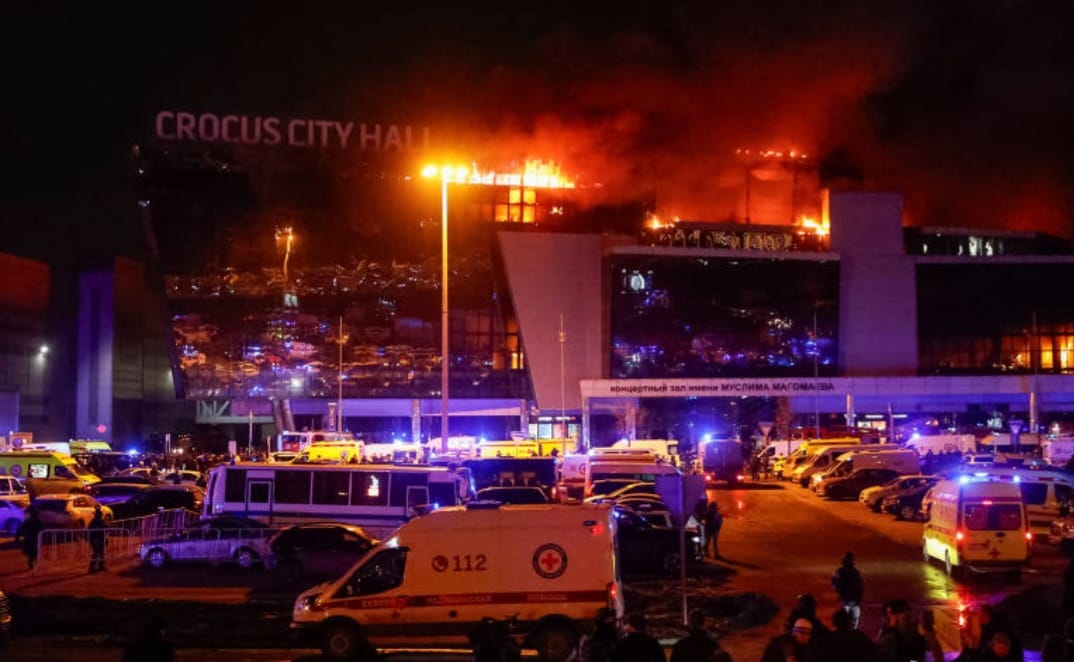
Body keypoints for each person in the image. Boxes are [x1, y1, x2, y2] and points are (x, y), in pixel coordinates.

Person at [831, 551, 864, 629]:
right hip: (848, 602)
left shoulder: (854, 572)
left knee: (852, 621)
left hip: (851, 602)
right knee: (849, 622)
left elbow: (860, 587)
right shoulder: (845, 572)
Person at [15, 505, 44, 570]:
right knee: (33, 552)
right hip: (31, 539)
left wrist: (18, 536)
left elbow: (21, 529)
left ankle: (32, 562)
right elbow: (22, 529)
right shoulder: (33, 521)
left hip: (32, 538)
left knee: (33, 552)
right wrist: (18, 536)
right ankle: (31, 562)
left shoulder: (34, 521)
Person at [88, 505, 107, 573]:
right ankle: (92, 567)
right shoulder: (96, 522)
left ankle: (100, 566)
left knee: (100, 553)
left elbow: (105, 529)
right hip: (96, 539)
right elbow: (105, 528)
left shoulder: (95, 521)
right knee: (96, 553)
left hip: (99, 539)